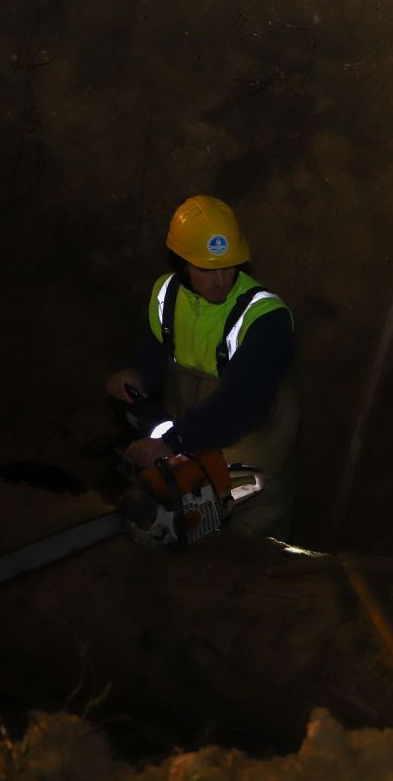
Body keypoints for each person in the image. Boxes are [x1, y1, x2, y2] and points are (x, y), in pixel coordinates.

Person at [105, 195, 299, 539]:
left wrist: (174, 439)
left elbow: (241, 404)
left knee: (250, 555)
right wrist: (134, 373)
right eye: (207, 269)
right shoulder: (166, 295)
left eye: (231, 265)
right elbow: (157, 350)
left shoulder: (266, 319)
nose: (222, 280)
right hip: (191, 455)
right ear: (182, 263)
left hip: (250, 473)